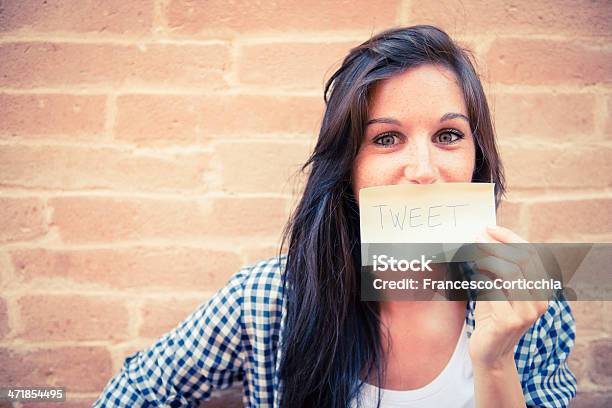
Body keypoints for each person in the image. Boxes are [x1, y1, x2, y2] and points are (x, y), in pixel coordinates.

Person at [94, 25, 576, 408]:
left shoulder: (532, 304)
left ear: (478, 157)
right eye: (386, 138)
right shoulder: (263, 301)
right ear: (348, 167)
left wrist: (494, 363)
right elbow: (140, 389)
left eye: (448, 135)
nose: (424, 170)